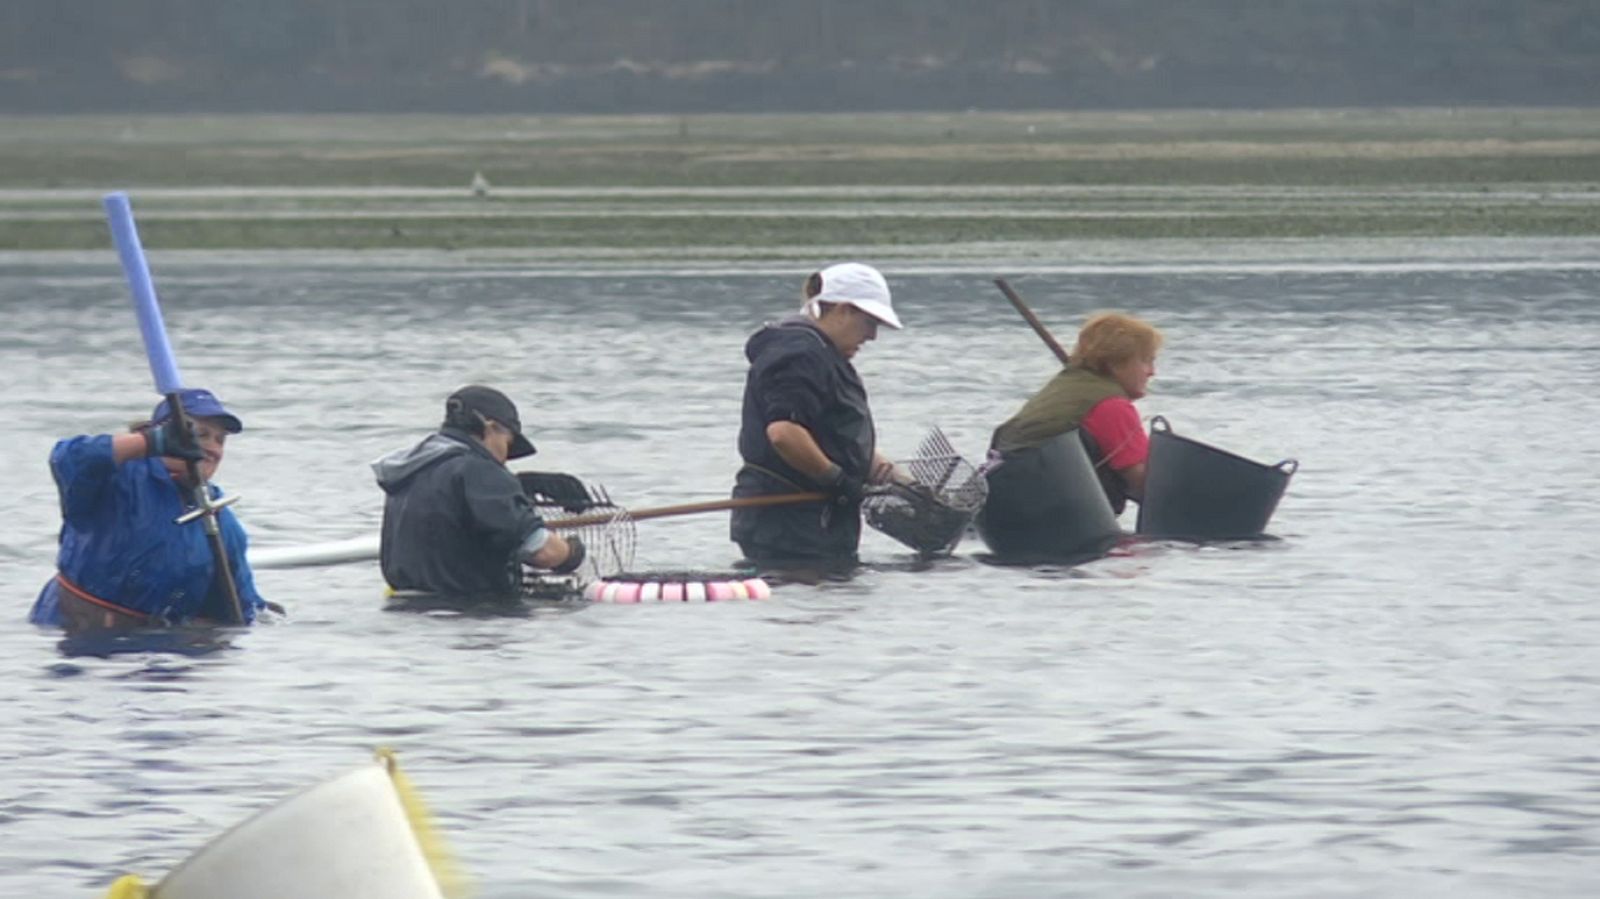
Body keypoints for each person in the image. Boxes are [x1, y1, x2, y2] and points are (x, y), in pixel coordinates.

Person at [28, 388, 269, 630]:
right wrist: (149, 443)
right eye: (201, 434)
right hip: (73, 637)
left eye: (220, 440)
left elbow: (243, 607)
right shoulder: (117, 479)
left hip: (156, 646)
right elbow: (68, 458)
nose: (212, 449)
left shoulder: (222, 523)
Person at [730, 262, 906, 564]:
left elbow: (835, 434)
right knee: (810, 606)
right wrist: (837, 481)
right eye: (870, 323)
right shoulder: (799, 354)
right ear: (844, 310)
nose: (873, 336)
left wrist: (899, 481)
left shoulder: (824, 355)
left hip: (818, 523)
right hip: (788, 524)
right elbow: (785, 433)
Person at [372, 385, 585, 599]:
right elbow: (542, 551)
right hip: (468, 613)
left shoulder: (411, 471)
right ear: (490, 427)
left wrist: (516, 484)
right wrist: (572, 551)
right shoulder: (479, 472)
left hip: (404, 612)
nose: (504, 459)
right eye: (508, 444)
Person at [990, 311, 1163, 513]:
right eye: (1146, 361)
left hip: (1010, 504)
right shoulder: (1111, 406)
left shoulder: (1065, 386)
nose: (1152, 371)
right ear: (1117, 363)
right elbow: (1146, 484)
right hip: (1060, 516)